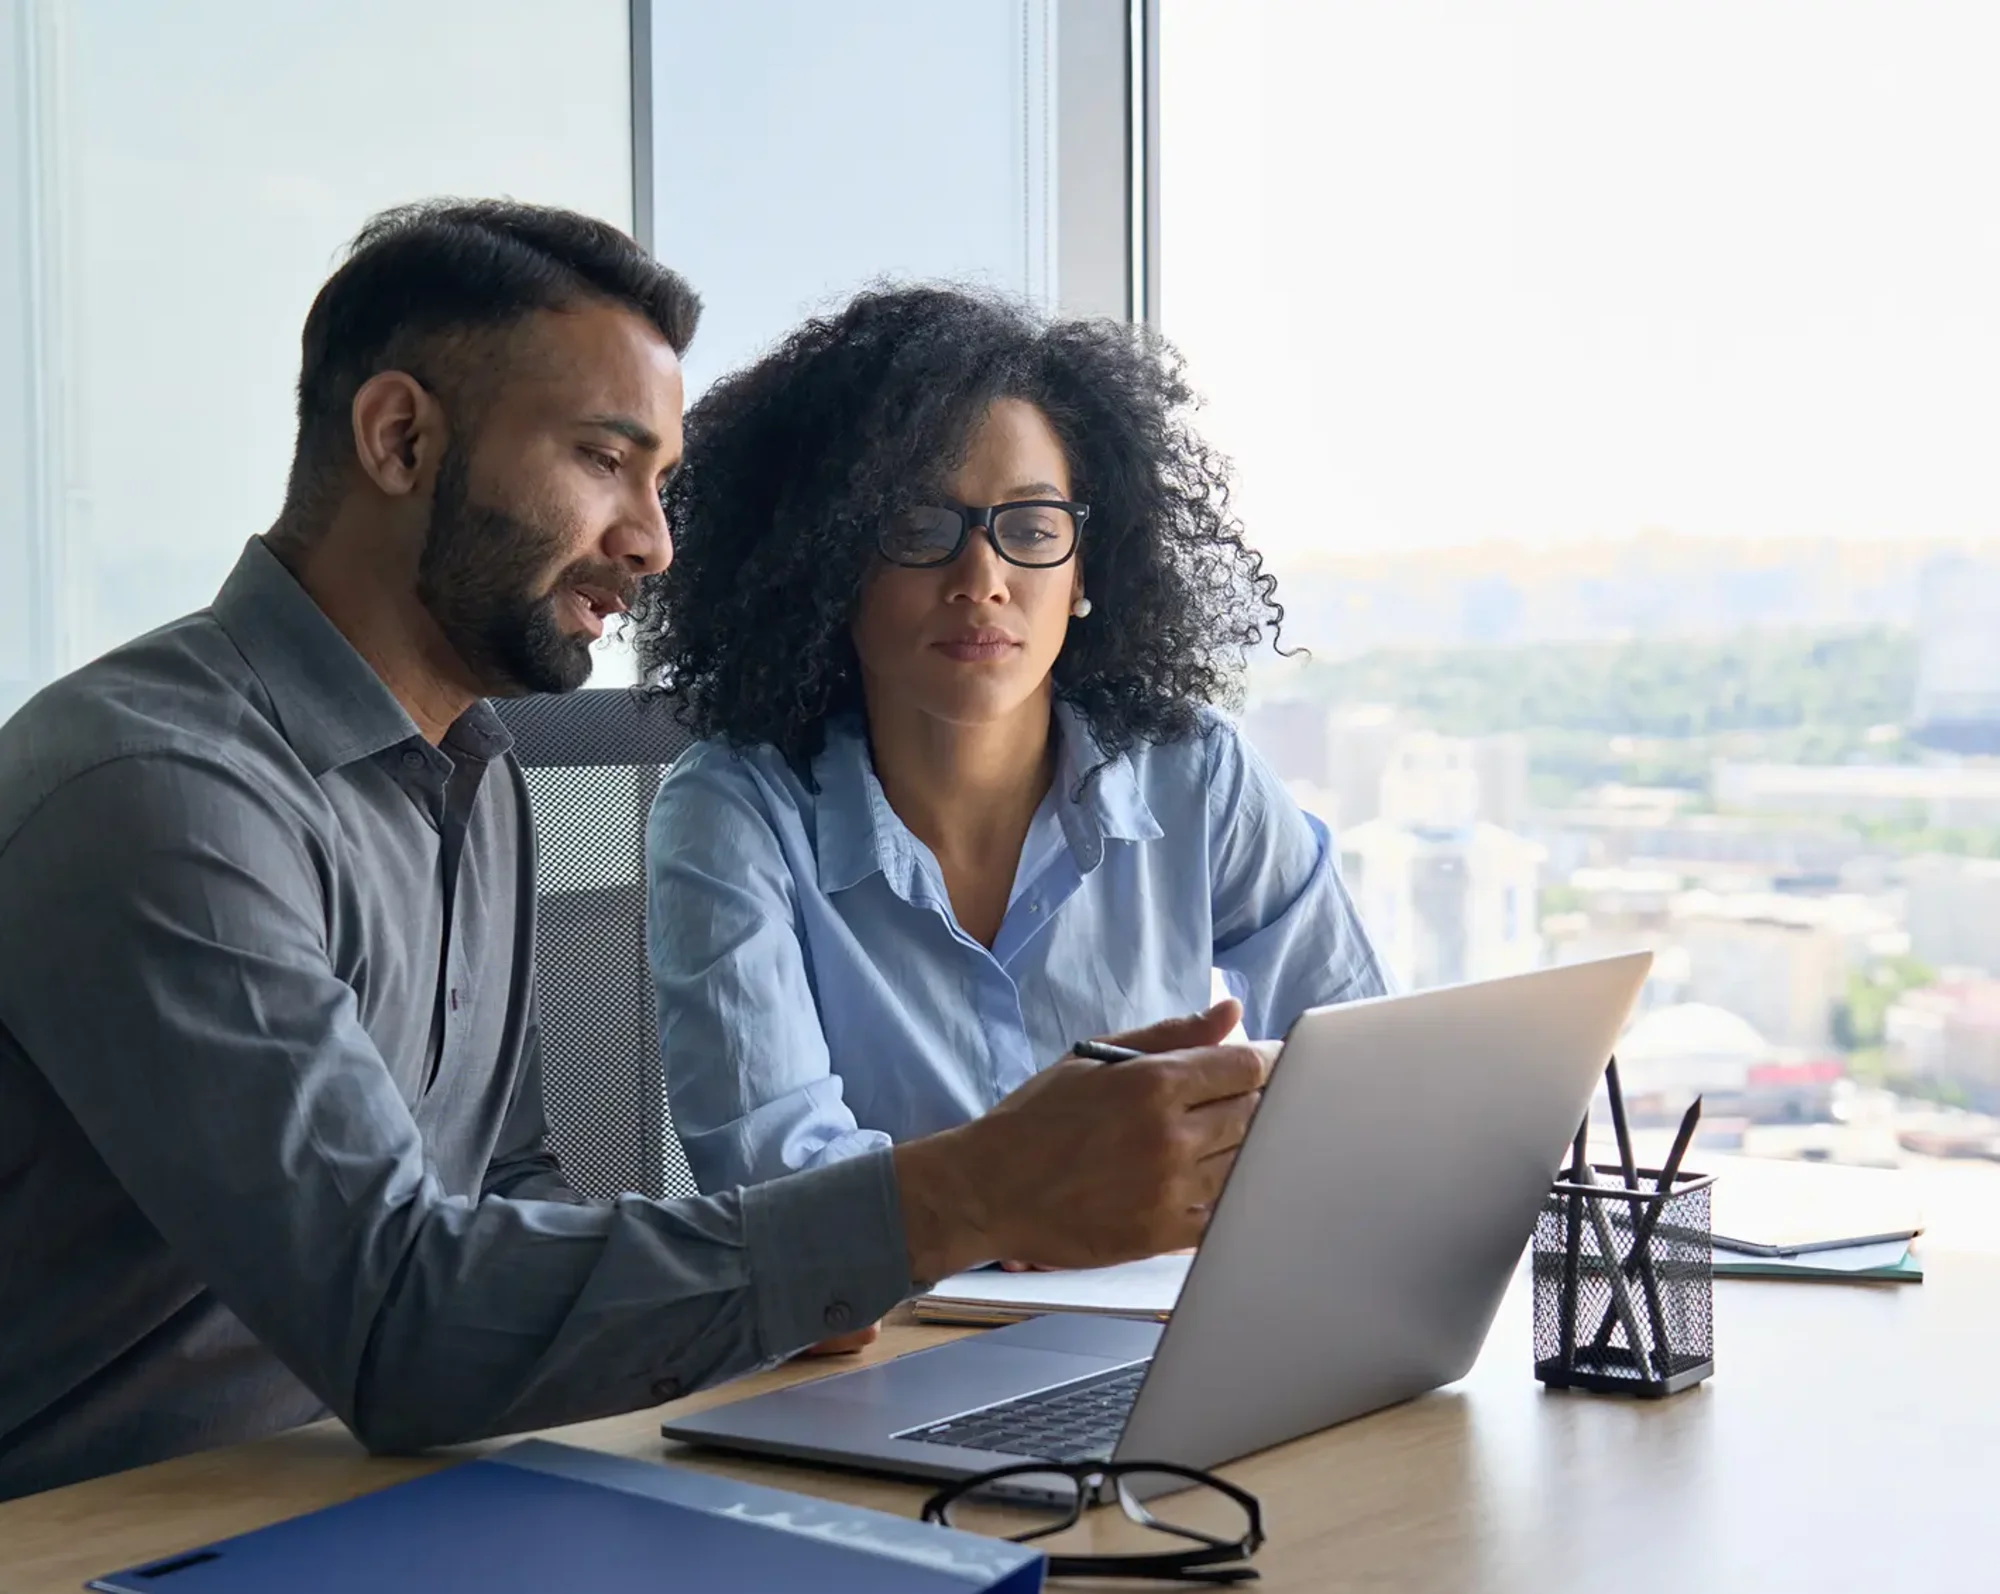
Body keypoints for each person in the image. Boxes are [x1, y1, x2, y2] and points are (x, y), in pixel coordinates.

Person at [0, 203, 1270, 1503]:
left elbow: (508, 1188)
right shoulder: (158, 794)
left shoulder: (471, 769)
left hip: (394, 1491)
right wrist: (954, 1200)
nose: (653, 543)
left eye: (659, 483)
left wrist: (776, 1279)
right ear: (399, 439)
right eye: (604, 461)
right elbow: (396, 1320)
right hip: (110, 1526)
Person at [635, 287, 1387, 1208]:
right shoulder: (733, 811)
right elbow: (779, 1186)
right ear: (829, 563)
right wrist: (1039, 1205)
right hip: (893, 1306)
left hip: (1166, 1291)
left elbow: (1364, 1068)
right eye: (919, 527)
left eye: (1031, 529)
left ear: (1083, 571)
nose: (982, 579)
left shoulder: (1196, 773)